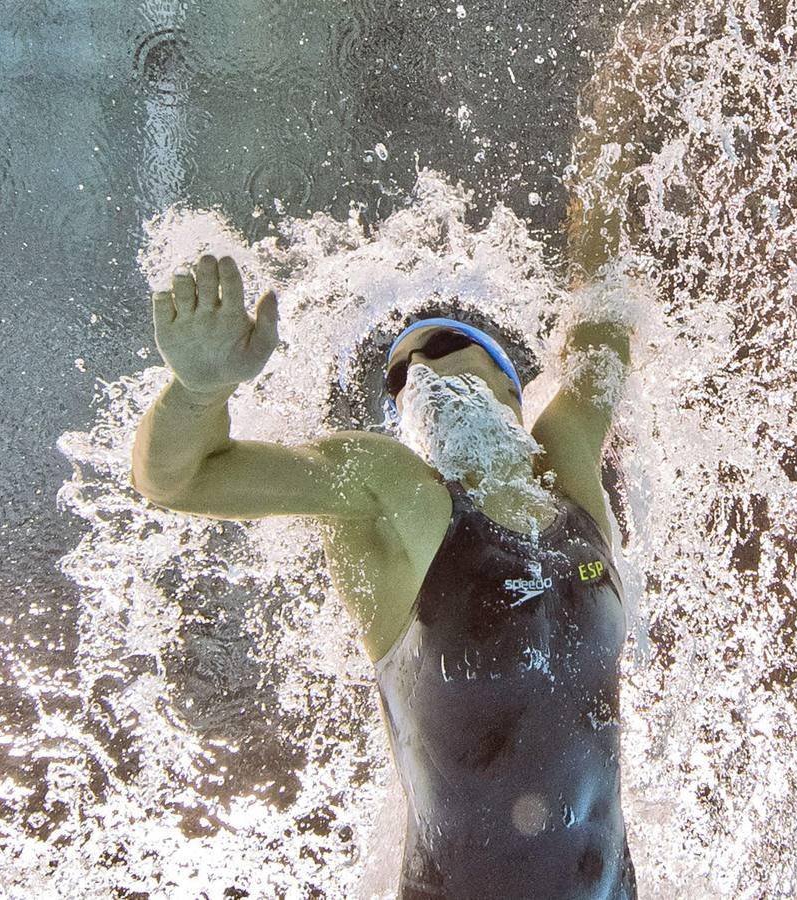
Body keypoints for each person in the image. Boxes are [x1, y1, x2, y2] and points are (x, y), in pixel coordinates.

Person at [129, 39, 643, 895]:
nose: (426, 381)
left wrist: (612, 124)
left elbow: (605, 308)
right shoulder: (394, 496)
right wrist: (198, 388)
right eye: (406, 380)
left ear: (512, 391)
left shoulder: (569, 474)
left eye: (445, 354)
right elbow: (178, 480)